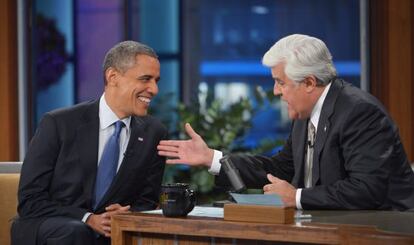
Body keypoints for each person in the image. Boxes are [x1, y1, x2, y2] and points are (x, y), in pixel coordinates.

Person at [157, 34, 414, 211]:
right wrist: (211, 158)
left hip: (381, 231)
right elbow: (280, 169)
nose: (276, 92)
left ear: (310, 83)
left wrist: (296, 197)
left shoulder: (359, 112)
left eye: (281, 82)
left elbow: (367, 189)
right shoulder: (305, 115)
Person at [12, 41, 167, 245]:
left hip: (112, 233)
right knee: (76, 233)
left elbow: (146, 201)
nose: (154, 89)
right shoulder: (59, 123)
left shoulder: (154, 133)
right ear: (112, 77)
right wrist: (87, 218)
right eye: (145, 79)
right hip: (54, 227)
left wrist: (124, 214)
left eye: (156, 80)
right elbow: (30, 200)